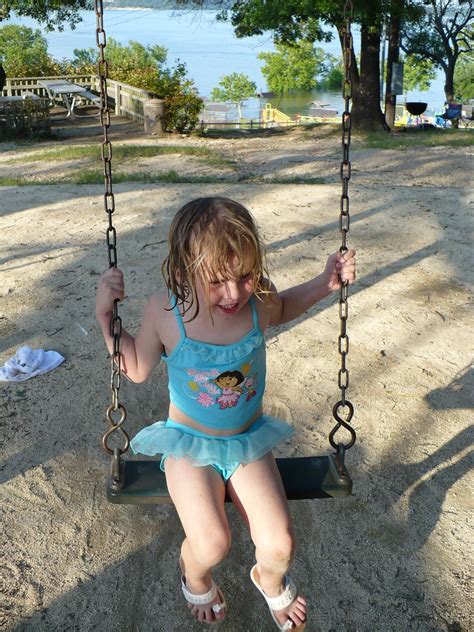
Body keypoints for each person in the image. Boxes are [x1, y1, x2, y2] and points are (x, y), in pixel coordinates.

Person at [95, 197, 356, 630]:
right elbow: (137, 368)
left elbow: (285, 306)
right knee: (212, 543)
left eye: (246, 275)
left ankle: (270, 583)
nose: (234, 292)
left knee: (280, 544)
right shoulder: (166, 311)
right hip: (188, 444)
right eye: (217, 281)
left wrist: (325, 282)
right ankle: (194, 573)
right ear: (183, 274)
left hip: (248, 439)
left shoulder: (258, 300)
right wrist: (105, 313)